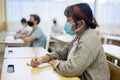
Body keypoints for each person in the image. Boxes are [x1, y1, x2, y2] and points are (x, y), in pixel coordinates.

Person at [31, 3, 110, 80]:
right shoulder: (79, 37)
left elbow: (72, 69)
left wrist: (57, 63)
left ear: (81, 23)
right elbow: (62, 53)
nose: (66, 23)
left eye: (69, 20)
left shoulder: (89, 40)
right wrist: (42, 59)